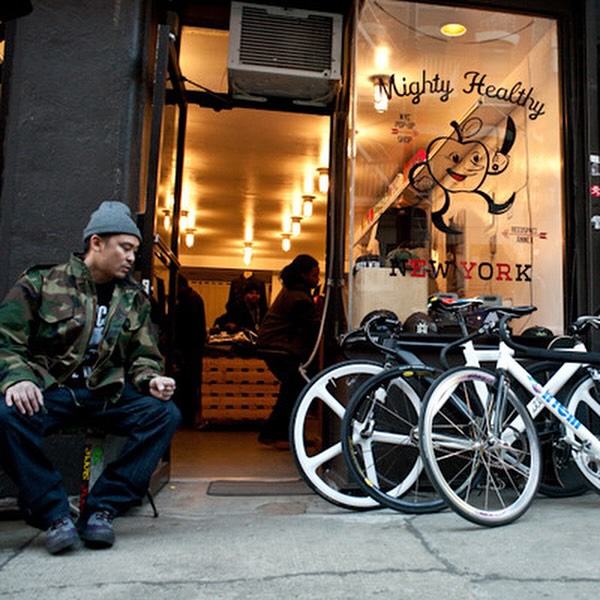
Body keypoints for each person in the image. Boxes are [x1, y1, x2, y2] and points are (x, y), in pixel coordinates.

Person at [0, 200, 181, 554]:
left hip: (105, 394)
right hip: (51, 391)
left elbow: (144, 356)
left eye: (135, 251)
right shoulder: (41, 283)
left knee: (164, 414)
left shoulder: (134, 299)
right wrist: (18, 379)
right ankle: (54, 514)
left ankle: (103, 508)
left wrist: (151, 380)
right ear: (97, 243)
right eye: (125, 248)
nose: (131, 258)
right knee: (5, 415)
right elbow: (6, 340)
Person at [256, 254, 320, 449]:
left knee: (293, 390)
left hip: (274, 347)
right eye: (314, 275)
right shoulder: (299, 298)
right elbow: (309, 328)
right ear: (303, 275)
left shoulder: (292, 292)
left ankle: (283, 434)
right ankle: (276, 434)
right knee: (294, 391)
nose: (317, 279)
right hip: (280, 348)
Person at [173, 276, 206, 428]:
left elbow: (185, 328)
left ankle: (186, 418)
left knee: (186, 386)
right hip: (193, 349)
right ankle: (188, 417)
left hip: (188, 350)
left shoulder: (188, 301)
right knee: (190, 386)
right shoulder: (194, 299)